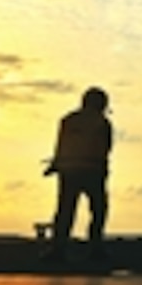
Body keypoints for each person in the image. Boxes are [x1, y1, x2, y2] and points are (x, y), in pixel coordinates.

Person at [41, 87, 114, 262]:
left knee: (65, 211)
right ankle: (95, 249)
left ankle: (58, 250)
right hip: (93, 172)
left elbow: (61, 145)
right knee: (98, 211)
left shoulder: (69, 120)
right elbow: (105, 148)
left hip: (69, 172)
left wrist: (55, 165)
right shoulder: (102, 123)